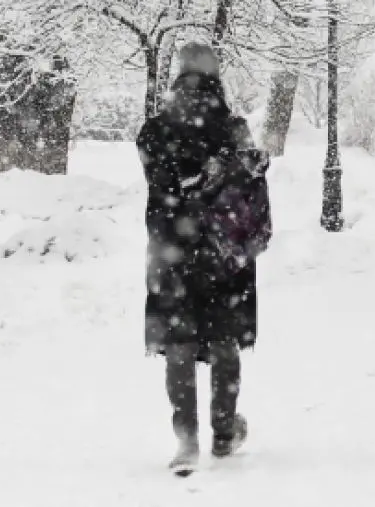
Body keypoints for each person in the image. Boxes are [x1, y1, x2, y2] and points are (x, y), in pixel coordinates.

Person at [136, 42, 272, 476]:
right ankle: (224, 430)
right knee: (222, 340)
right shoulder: (233, 128)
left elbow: (159, 185)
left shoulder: (155, 130)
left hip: (171, 249)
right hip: (223, 253)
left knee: (179, 343)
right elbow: (248, 191)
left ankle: (186, 439)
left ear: (178, 73)